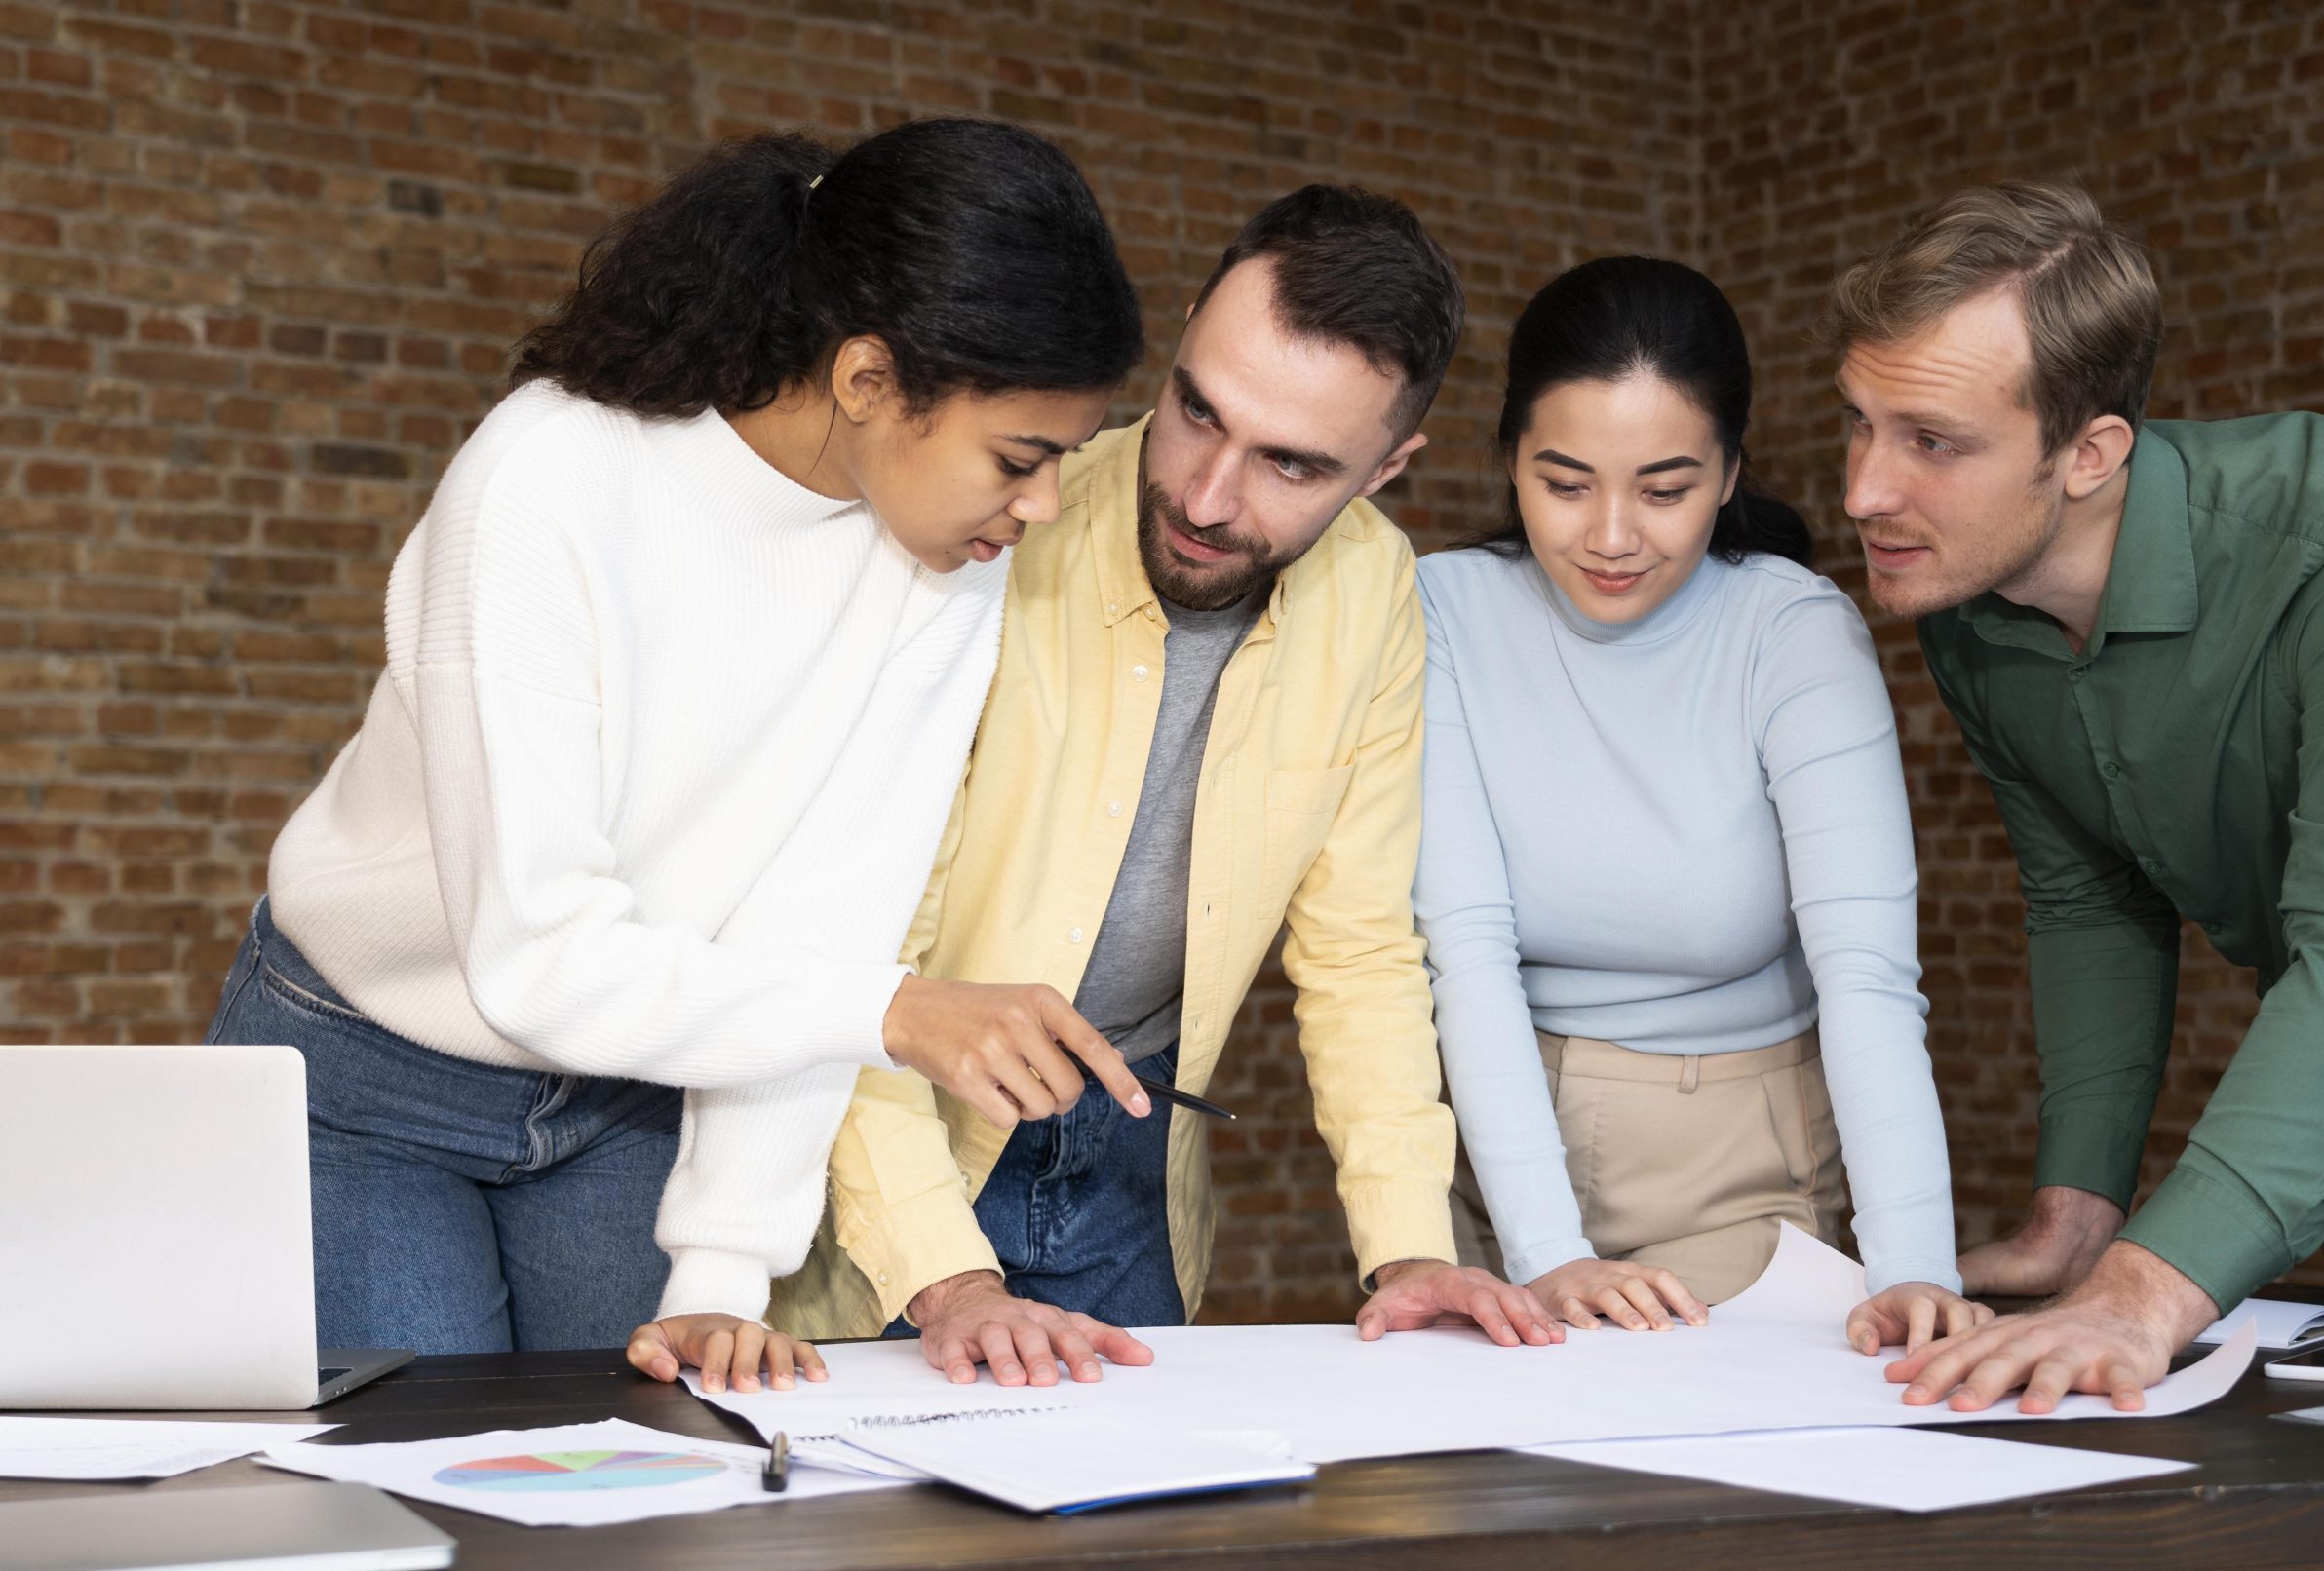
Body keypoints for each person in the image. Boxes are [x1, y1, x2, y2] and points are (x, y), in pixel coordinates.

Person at [209, 120, 1154, 1376]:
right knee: (428, 1505)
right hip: (367, 1086)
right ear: (870, 379)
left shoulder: (948, 562)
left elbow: (821, 923)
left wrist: (721, 1268)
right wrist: (897, 1013)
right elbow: (537, 957)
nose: (1040, 507)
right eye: (1019, 459)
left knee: (648, 1481)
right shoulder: (546, 484)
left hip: (632, 1099)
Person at [722, 184, 1568, 1389]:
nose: (1210, 497)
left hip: (1133, 1173)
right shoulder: (981, 529)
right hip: (884, 1158)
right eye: (1195, 412)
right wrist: (947, 1278)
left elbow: (1360, 951)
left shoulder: (1376, 591)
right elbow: (849, 945)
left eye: (1291, 463)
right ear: (1173, 349)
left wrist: (1406, 1250)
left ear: (1388, 468)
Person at [1828, 180, 2324, 1414]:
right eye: (1860, 423)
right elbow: (2088, 894)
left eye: (1932, 440)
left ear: (2089, 453)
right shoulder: (1973, 606)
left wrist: (2144, 1291)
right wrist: (2083, 1215)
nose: (1866, 490)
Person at [1414, 256, 1984, 1356]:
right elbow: (1464, 947)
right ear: (1508, 462)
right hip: (1495, 1151)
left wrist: (1914, 1261)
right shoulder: (1441, 609)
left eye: (1665, 488)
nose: (1612, 535)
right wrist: (1544, 1254)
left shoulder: (1791, 631)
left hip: (1743, 1170)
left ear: (1729, 474)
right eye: (1565, 483)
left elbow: (1865, 972)